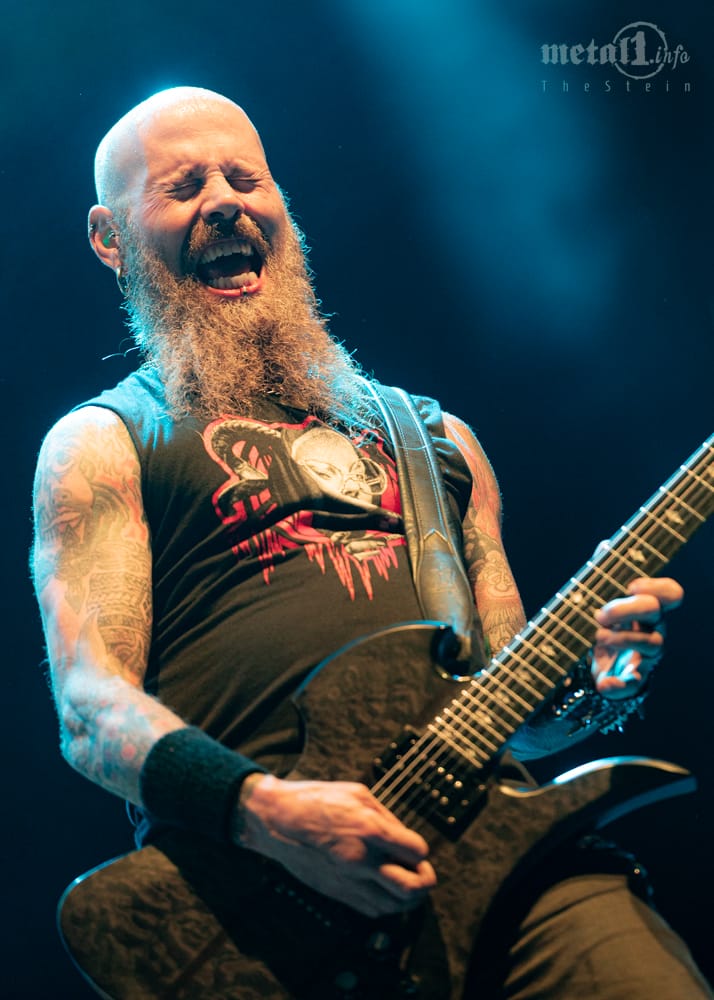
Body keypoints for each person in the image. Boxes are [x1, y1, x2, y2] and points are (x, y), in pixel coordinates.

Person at [30, 87, 711, 999]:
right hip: (265, 920)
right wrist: (268, 814)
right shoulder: (104, 442)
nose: (225, 202)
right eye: (184, 187)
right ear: (110, 239)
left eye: (246, 179)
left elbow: (514, 707)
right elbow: (88, 707)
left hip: (516, 879)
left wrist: (599, 681)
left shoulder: (438, 441)